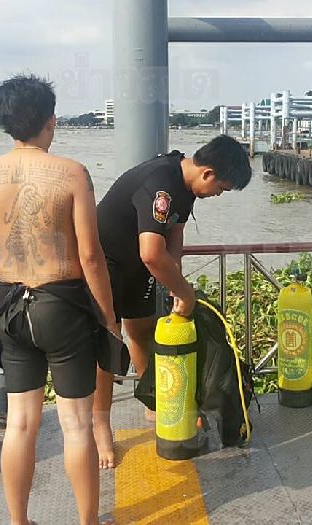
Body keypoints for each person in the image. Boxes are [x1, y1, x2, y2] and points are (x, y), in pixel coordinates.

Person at [0, 74, 117, 525]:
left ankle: (19, 521)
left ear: (6, 121)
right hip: (62, 306)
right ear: (52, 120)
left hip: (9, 308)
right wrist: (108, 316)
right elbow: (90, 256)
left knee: (21, 423)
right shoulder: (72, 173)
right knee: (75, 424)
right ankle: (87, 521)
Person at [93, 135, 252, 468]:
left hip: (140, 264)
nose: (218, 194)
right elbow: (152, 252)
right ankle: (101, 426)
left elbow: (173, 236)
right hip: (105, 262)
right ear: (208, 173)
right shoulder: (162, 183)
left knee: (141, 331)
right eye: (221, 188)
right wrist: (186, 293)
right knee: (108, 343)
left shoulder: (186, 185)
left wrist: (174, 282)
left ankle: (155, 401)